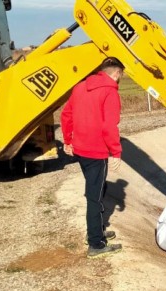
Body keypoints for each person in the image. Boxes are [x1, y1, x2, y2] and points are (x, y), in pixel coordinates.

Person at [61, 57, 125, 258]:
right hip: (96, 152)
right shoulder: (110, 92)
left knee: (96, 189)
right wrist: (115, 152)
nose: (119, 80)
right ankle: (96, 243)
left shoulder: (80, 87)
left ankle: (96, 229)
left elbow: (66, 115)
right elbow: (109, 126)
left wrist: (67, 141)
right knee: (94, 196)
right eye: (120, 77)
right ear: (116, 73)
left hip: (80, 149)